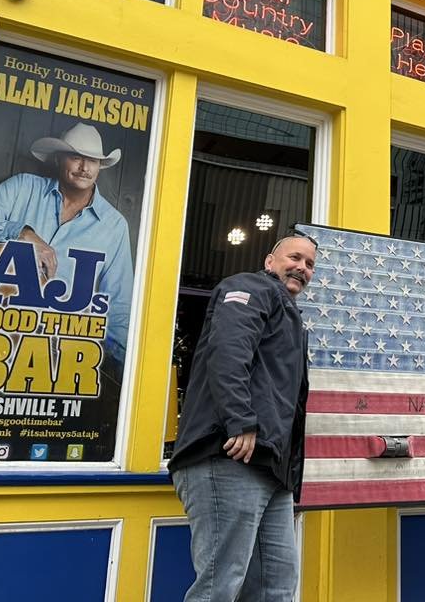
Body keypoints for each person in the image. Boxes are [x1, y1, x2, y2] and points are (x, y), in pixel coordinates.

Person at [170, 233, 316, 602]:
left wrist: (290, 475)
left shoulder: (291, 319)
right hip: (229, 456)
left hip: (271, 470)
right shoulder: (249, 288)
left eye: (310, 264)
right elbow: (228, 350)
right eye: (294, 257)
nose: (302, 267)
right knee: (219, 587)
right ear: (270, 261)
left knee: (276, 587)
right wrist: (241, 421)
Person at [0, 122, 134, 361]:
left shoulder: (114, 226)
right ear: (58, 159)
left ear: (100, 166)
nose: (84, 168)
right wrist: (24, 234)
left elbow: (118, 306)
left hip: (56, 355)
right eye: (75, 157)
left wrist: (121, 373)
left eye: (92, 160)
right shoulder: (23, 188)